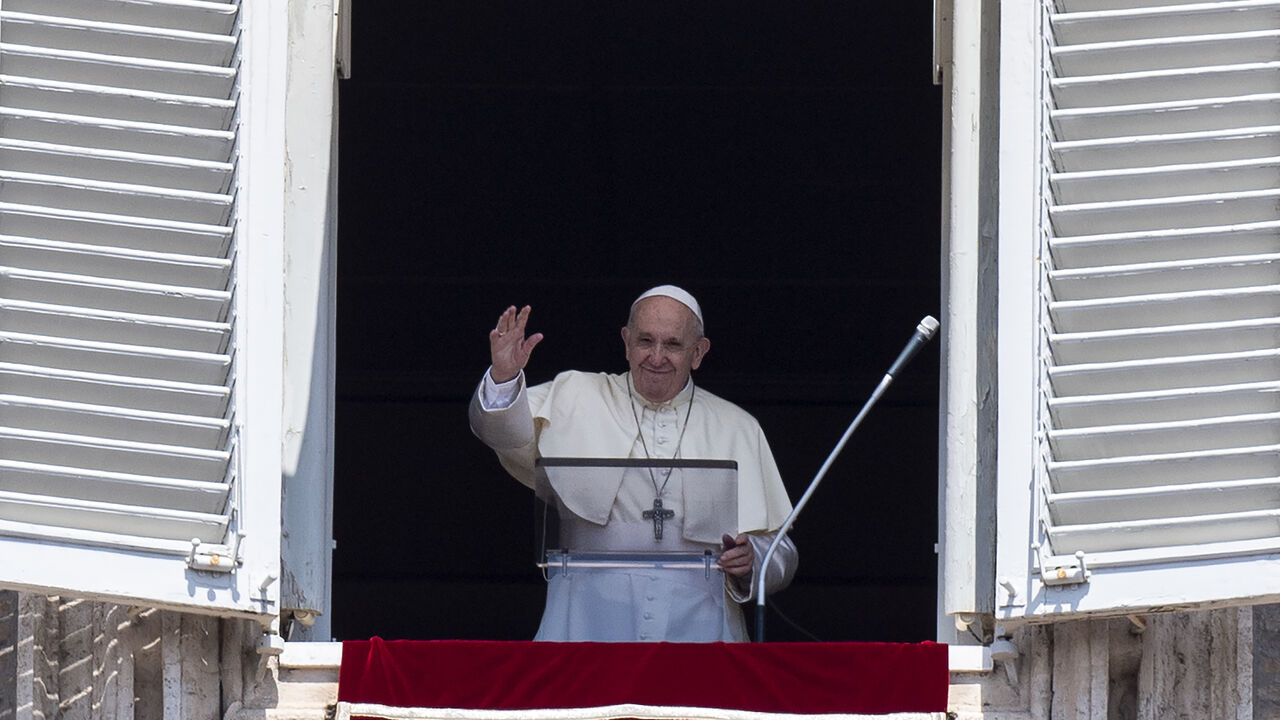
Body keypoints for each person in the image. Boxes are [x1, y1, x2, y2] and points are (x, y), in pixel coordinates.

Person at [469, 285, 798, 641]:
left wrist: (753, 561)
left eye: (672, 344)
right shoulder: (574, 394)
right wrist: (503, 377)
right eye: (645, 341)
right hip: (584, 622)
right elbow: (502, 434)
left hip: (699, 629)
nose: (656, 357)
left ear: (698, 352)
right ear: (626, 342)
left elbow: (780, 552)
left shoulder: (737, 426)